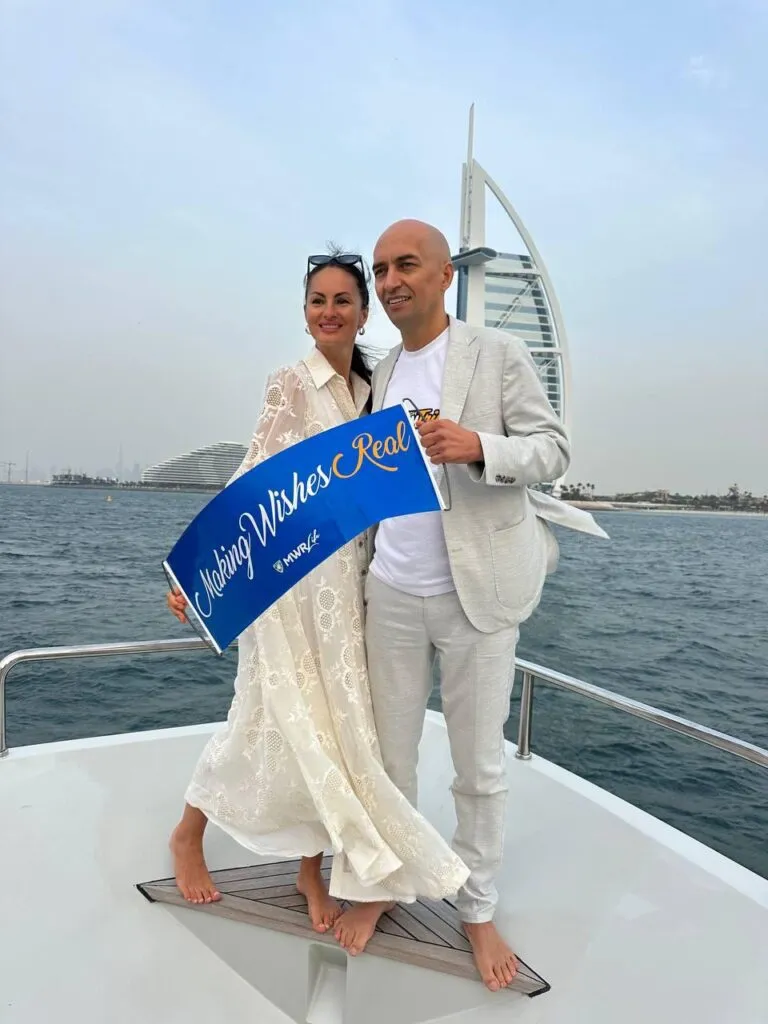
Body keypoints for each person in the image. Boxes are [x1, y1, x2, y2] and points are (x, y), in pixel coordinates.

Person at [166, 251, 469, 954]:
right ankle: (188, 833)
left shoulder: (374, 388)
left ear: (364, 313)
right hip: (287, 584)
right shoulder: (292, 385)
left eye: (341, 300)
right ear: (304, 312)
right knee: (266, 711)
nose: (328, 311)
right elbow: (251, 475)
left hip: (349, 582)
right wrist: (195, 573)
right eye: (316, 301)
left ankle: (311, 868)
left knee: (337, 727)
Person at [365, 219, 608, 991]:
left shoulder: (496, 354)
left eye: (406, 265)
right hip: (392, 589)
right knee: (387, 758)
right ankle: (387, 883)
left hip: (479, 593)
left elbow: (553, 448)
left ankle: (476, 908)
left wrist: (479, 446)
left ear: (442, 276)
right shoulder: (378, 372)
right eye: (380, 270)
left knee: (479, 765)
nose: (391, 280)